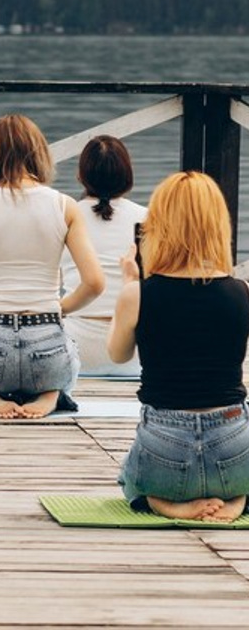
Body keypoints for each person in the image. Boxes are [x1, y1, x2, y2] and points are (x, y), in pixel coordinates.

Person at [0, 113, 106, 419]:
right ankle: (54, 393)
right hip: (46, 342)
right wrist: (58, 309)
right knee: (69, 362)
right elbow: (94, 283)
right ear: (39, 152)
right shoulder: (64, 205)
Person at [107, 171, 249, 521]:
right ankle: (237, 498)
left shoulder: (137, 293)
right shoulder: (243, 291)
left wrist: (130, 283)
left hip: (164, 443)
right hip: (233, 439)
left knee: (129, 478)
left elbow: (118, 354)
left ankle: (163, 501)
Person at [59, 135, 147, 377]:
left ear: (81, 175)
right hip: (135, 352)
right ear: (128, 176)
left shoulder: (64, 215)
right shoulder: (148, 217)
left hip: (75, 348)